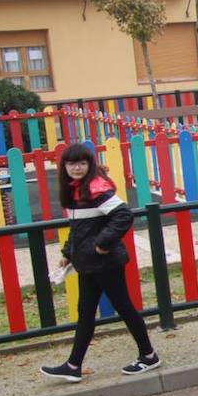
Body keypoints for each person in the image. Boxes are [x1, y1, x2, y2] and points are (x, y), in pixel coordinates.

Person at [39, 143, 161, 382]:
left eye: (82, 163)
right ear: (64, 166)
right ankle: (73, 366)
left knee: (123, 307)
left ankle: (149, 355)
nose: (76, 168)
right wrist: (68, 252)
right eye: (71, 163)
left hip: (106, 262)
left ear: (89, 164)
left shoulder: (96, 189)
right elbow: (78, 229)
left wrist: (102, 244)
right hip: (88, 263)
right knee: (85, 312)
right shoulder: (75, 191)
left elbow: (124, 215)